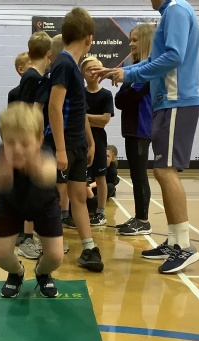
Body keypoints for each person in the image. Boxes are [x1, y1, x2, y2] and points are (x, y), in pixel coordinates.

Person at [95, 0, 199, 274]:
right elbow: (155, 61)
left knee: (165, 170)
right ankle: (174, 241)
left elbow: (174, 57)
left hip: (176, 100)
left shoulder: (176, 9)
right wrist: (124, 72)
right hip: (167, 102)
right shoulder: (168, 13)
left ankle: (184, 245)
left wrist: (131, 73)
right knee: (161, 170)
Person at [47, 7, 103, 272]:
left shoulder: (73, 67)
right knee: (51, 197)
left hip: (78, 145)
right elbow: (54, 107)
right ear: (89, 38)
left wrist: (89, 142)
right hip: (65, 146)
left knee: (78, 196)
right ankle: (46, 247)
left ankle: (89, 248)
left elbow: (79, 110)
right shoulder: (63, 63)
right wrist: (60, 149)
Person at [0, 102, 63, 299]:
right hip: (10, 206)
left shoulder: (45, 154)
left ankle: (42, 272)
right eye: (10, 142)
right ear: (2, 139)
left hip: (44, 206)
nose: (17, 149)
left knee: (55, 257)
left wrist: (36, 168)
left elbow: (49, 174)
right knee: (1, 256)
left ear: (39, 140)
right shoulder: (0, 155)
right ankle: (17, 272)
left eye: (24, 143)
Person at [115, 23, 155, 237]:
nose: (130, 43)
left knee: (139, 174)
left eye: (135, 40)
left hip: (141, 126)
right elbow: (121, 98)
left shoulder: (146, 71)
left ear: (146, 41)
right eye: (130, 39)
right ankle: (139, 216)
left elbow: (126, 98)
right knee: (135, 173)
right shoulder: (135, 68)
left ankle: (143, 220)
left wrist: (125, 92)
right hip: (131, 127)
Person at [16, 31, 52, 261]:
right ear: (49, 54)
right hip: (29, 139)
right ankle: (26, 240)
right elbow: (27, 111)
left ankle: (33, 235)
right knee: (29, 189)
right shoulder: (31, 77)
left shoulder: (40, 77)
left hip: (36, 138)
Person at [81, 56, 114, 227]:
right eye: (89, 69)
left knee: (100, 177)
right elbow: (76, 119)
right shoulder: (79, 93)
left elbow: (105, 120)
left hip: (99, 140)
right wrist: (93, 119)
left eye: (96, 69)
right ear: (83, 73)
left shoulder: (106, 95)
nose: (93, 72)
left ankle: (100, 212)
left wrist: (85, 117)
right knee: (78, 177)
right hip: (80, 139)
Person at [86, 144, 119, 213]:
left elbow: (104, 182)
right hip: (88, 188)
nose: (105, 158)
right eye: (104, 155)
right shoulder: (94, 164)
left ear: (113, 158)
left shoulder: (112, 170)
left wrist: (90, 186)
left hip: (98, 187)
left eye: (107, 156)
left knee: (110, 186)